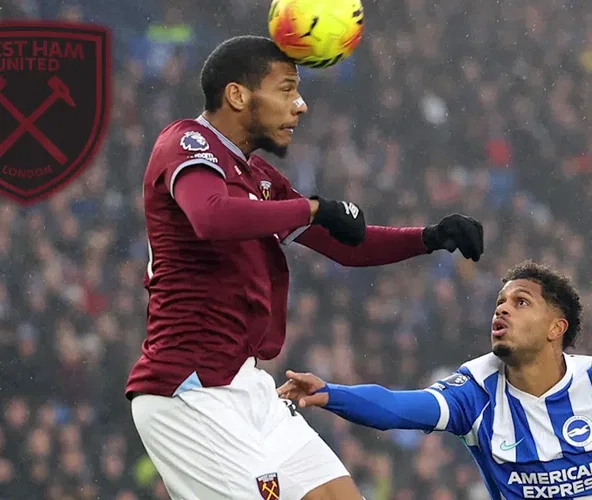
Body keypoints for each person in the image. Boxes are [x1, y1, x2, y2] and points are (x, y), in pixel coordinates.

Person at [125, 35, 484, 500]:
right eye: (286, 89)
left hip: (247, 384)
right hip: (188, 392)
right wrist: (313, 208)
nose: (300, 105)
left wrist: (430, 237)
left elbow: (346, 246)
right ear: (237, 95)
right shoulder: (186, 141)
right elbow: (210, 216)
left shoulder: (260, 179)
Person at [278, 260, 592, 500]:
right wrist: (331, 393)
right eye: (500, 303)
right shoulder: (476, 390)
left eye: (521, 302)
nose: (502, 310)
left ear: (556, 327)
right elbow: (401, 408)